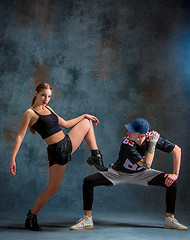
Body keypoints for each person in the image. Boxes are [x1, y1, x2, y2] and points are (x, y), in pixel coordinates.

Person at [9, 82, 107, 231]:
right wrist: (13, 158)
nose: (46, 99)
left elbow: (66, 124)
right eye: (43, 95)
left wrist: (84, 115)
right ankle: (31, 217)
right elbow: (20, 136)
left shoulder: (48, 108)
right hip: (57, 150)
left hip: (66, 142)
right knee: (52, 189)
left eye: (48, 96)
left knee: (87, 121)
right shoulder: (30, 113)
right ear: (36, 93)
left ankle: (96, 155)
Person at [70, 118, 188, 230]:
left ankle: (169, 219)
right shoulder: (127, 143)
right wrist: (153, 144)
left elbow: (177, 150)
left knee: (172, 183)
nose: (128, 132)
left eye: (132, 131)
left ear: (141, 135)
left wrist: (175, 173)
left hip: (142, 174)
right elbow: (147, 164)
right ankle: (87, 219)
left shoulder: (151, 138)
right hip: (119, 173)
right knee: (88, 181)